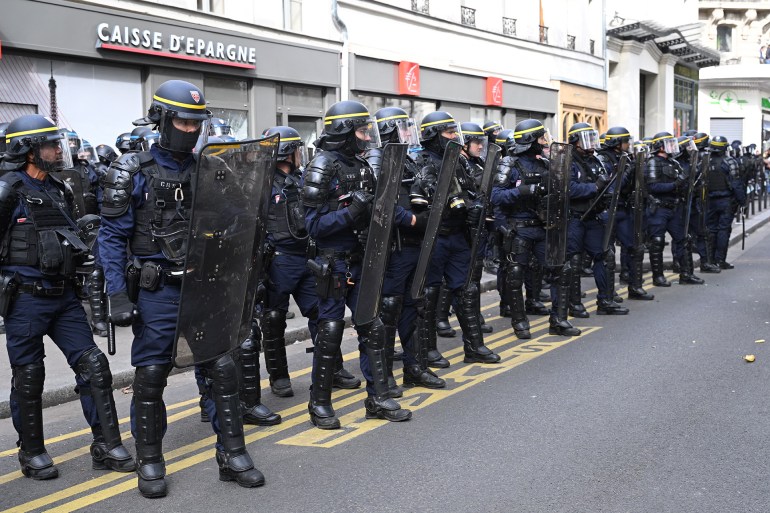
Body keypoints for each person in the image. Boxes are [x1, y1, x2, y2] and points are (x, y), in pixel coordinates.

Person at [100, 80, 264, 497]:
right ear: (161, 119)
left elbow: (237, 222)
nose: (190, 129)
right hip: (158, 290)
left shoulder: (210, 168)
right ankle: (150, 461)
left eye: (196, 122)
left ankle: (232, 454)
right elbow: (112, 237)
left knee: (222, 368)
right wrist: (117, 293)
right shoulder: (132, 171)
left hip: (204, 287)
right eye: (183, 121)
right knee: (152, 375)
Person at [0, 114, 135, 480]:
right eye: (50, 144)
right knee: (29, 376)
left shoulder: (58, 188)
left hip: (63, 299)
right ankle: (31, 452)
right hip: (25, 300)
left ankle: (106, 445)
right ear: (26, 150)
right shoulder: (8, 188)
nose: (58, 150)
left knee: (93, 366)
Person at [303, 100, 414, 429]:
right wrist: (351, 212)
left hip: (360, 259)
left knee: (373, 326)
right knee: (330, 331)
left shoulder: (363, 166)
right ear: (343, 132)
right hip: (333, 263)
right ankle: (319, 402)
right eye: (362, 131)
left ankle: (377, 398)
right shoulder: (321, 166)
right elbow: (312, 225)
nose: (367, 137)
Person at [411, 111, 501, 366]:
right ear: (433, 135)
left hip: (459, 236)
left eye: (454, 132)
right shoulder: (421, 162)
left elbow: (470, 189)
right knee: (429, 294)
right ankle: (427, 350)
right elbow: (420, 204)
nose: (454, 137)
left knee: (466, 290)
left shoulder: (458, 162)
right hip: (436, 237)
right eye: (449, 133)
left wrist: (474, 207)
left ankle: (474, 346)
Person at [368, 106, 445, 391]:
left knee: (415, 305)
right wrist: (411, 218)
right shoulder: (379, 158)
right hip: (395, 247)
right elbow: (380, 201)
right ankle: (385, 375)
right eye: (402, 128)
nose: (408, 133)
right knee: (389, 309)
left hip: (415, 243)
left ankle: (414, 368)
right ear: (388, 130)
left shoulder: (409, 160)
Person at [491, 119, 580, 338]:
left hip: (544, 228)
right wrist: (522, 192)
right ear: (530, 140)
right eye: (541, 137)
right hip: (519, 228)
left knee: (562, 269)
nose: (545, 141)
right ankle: (520, 322)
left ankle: (558, 320)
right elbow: (495, 196)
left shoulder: (546, 164)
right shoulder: (509, 164)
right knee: (515, 275)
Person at [566, 122, 628, 316]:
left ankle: (605, 300)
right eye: (586, 139)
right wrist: (594, 188)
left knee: (604, 255)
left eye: (592, 139)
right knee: (574, 261)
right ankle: (574, 304)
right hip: (575, 217)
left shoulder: (595, 161)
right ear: (576, 142)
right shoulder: (568, 161)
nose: (591, 143)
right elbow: (569, 189)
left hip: (593, 217)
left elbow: (606, 183)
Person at [597, 126, 654, 300]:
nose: (628, 144)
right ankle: (609, 293)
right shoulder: (602, 160)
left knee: (635, 247)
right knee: (608, 253)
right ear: (616, 142)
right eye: (625, 141)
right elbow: (611, 187)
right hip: (608, 209)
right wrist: (628, 171)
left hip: (624, 208)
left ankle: (635, 286)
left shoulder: (626, 158)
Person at [644, 131, 690, 286]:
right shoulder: (653, 162)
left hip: (674, 207)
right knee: (657, 242)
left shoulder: (674, 162)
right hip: (659, 208)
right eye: (669, 143)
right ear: (660, 147)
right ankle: (658, 277)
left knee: (683, 239)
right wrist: (676, 184)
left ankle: (686, 273)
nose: (672, 146)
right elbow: (653, 186)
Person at [706, 135, 746, 269]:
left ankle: (710, 260)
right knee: (723, 230)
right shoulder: (730, 162)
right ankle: (720, 260)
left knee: (711, 230)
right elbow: (736, 184)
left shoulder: (705, 161)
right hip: (726, 201)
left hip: (709, 201)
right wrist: (742, 201)